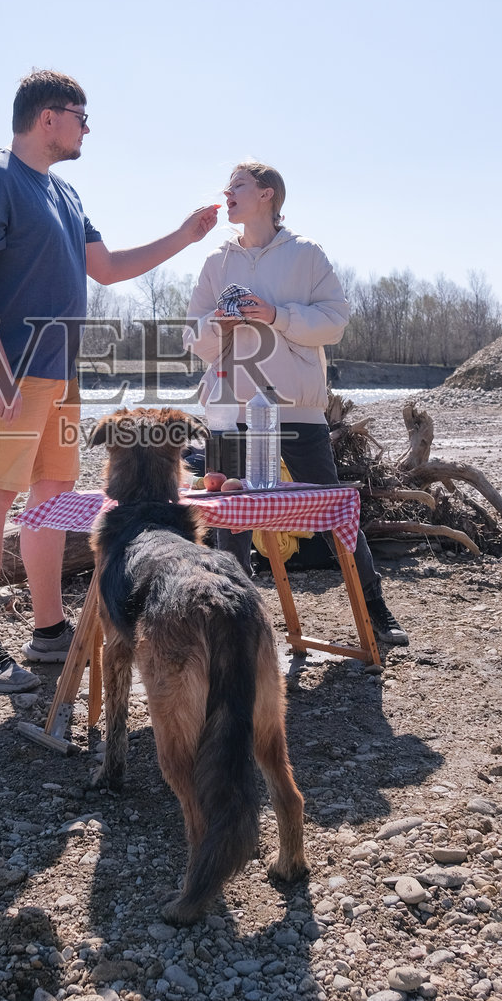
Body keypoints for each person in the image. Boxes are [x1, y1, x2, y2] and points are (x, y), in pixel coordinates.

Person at [0, 70, 219, 693]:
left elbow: (106, 268)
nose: (87, 129)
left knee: (52, 493)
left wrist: (184, 235)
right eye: (81, 116)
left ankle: (48, 633)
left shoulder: (65, 195)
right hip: (9, 373)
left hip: (58, 372)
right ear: (49, 117)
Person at [184, 160, 408, 648]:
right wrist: (220, 324)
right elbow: (193, 338)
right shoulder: (216, 261)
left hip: (297, 410)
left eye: (238, 185)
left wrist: (275, 315)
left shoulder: (307, 254)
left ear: (267, 194)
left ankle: (375, 610)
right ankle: (232, 627)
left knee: (332, 512)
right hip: (233, 409)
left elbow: (335, 322)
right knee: (232, 522)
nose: (228, 192)